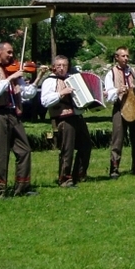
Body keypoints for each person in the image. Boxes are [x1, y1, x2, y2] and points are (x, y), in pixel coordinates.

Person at [0, 42, 38, 198]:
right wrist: (11, 77)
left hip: (14, 113)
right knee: (2, 153)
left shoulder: (12, 69)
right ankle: (0, 191)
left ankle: (22, 187)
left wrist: (38, 78)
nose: (12, 56)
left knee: (25, 150)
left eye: (12, 53)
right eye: (9, 52)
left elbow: (27, 93)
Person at [40, 55, 92, 187]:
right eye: (59, 66)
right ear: (54, 67)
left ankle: (79, 175)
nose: (62, 68)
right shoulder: (49, 81)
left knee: (86, 145)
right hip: (63, 118)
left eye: (65, 65)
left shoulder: (73, 79)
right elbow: (45, 101)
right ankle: (64, 179)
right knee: (67, 149)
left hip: (77, 116)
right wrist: (61, 93)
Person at [104, 47, 135, 178]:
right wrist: (118, 90)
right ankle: (114, 169)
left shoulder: (134, 72)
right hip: (119, 108)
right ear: (117, 57)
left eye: (127, 56)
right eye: (123, 56)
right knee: (117, 140)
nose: (126, 58)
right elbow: (108, 95)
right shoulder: (111, 73)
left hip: (134, 109)